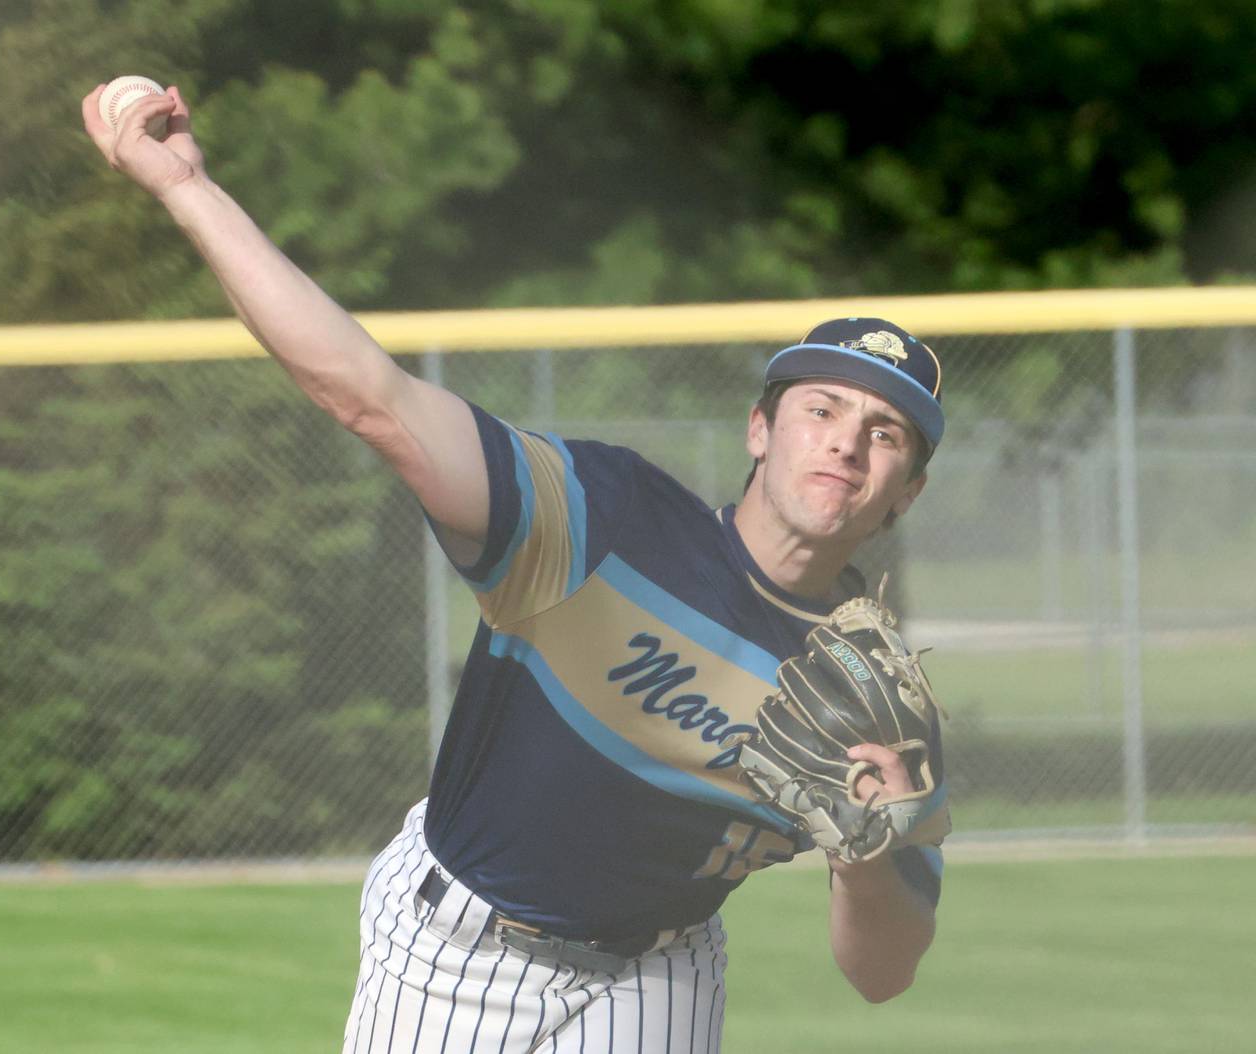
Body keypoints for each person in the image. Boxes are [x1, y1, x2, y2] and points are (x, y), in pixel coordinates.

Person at [83, 81, 945, 1052]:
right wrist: (186, 186)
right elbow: (372, 398)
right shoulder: (600, 519)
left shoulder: (877, 703)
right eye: (821, 409)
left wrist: (869, 850)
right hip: (462, 952)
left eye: (884, 435)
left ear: (905, 490)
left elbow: (886, 972)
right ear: (760, 426)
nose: (845, 445)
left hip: (660, 969)